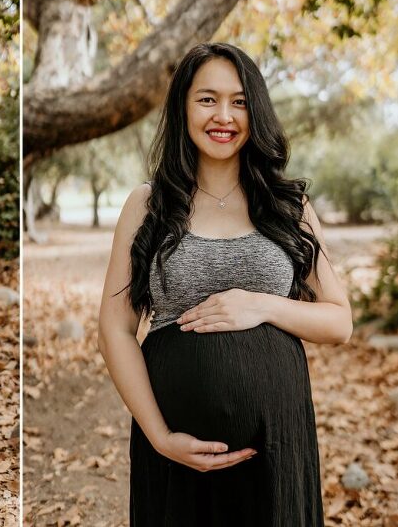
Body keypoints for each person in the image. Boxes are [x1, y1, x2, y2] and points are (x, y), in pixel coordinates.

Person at [98, 42, 352, 525]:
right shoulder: (147, 205)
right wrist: (159, 436)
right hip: (176, 449)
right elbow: (113, 330)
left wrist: (262, 306)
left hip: (276, 444)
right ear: (183, 108)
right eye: (207, 99)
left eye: (239, 101)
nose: (224, 115)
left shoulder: (287, 206)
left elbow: (340, 322)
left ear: (255, 110)